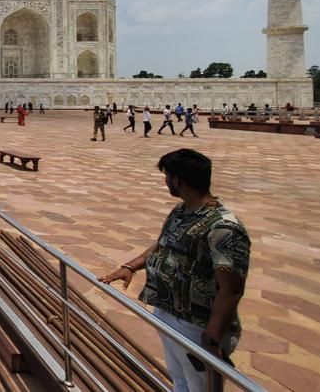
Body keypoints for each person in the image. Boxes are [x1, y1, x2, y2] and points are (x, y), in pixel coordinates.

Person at [98, 149, 250, 392]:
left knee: (201, 386)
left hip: (196, 324)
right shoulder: (182, 211)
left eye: (167, 176)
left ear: (178, 180)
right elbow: (165, 244)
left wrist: (211, 338)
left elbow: (231, 290)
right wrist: (130, 267)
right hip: (169, 311)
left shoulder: (223, 227)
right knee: (180, 379)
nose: (165, 181)